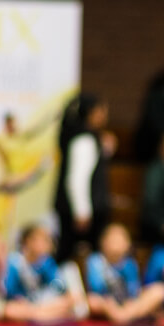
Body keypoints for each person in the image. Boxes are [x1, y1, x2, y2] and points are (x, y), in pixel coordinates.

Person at [55, 93, 117, 261]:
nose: (105, 114)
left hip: (85, 208)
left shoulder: (91, 137)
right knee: (69, 254)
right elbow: (76, 178)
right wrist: (81, 210)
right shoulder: (84, 139)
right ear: (90, 113)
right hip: (82, 210)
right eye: (101, 110)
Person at [85, 223, 164, 326]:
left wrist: (131, 303)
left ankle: (123, 316)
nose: (117, 244)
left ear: (128, 244)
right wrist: (110, 305)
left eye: (121, 240)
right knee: (92, 301)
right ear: (103, 242)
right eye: (113, 240)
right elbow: (96, 288)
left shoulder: (130, 264)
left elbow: (134, 290)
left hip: (127, 305)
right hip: (107, 303)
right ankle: (125, 316)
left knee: (160, 289)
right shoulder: (95, 261)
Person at [0, 224, 86, 324]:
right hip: (24, 304)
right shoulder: (15, 262)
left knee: (72, 298)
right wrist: (22, 301)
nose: (47, 244)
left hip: (42, 302)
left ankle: (42, 315)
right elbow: (9, 290)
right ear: (29, 241)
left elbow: (57, 285)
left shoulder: (46, 262)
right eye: (43, 240)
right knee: (9, 310)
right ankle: (47, 315)